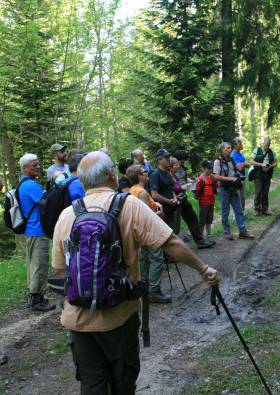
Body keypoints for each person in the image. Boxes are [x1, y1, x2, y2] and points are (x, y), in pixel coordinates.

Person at [52, 151, 219, 394]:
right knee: (123, 382)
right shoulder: (128, 205)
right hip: (119, 315)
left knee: (92, 384)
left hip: (77, 320)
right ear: (111, 175)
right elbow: (170, 242)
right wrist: (204, 269)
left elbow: (59, 269)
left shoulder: (67, 214)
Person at [127, 164, 171, 303]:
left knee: (144, 258)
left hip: (139, 232)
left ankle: (144, 287)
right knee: (157, 259)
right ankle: (154, 291)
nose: (147, 173)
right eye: (144, 172)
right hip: (149, 231)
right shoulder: (142, 192)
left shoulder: (132, 190)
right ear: (139, 176)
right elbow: (146, 216)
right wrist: (159, 210)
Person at [18, 153, 56, 312]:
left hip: (31, 230)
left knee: (34, 264)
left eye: (38, 164)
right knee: (39, 265)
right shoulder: (30, 186)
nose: (38, 167)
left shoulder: (25, 183)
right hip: (37, 230)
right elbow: (47, 202)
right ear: (24, 168)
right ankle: (36, 299)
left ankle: (35, 296)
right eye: (35, 165)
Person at [213, 142, 254, 240]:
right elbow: (215, 176)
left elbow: (237, 168)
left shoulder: (231, 159)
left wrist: (244, 165)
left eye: (231, 147)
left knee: (239, 210)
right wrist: (230, 179)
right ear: (222, 150)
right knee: (225, 211)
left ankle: (242, 231)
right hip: (224, 189)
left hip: (233, 188)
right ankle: (226, 232)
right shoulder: (217, 161)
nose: (230, 149)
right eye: (228, 148)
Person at [173, 150, 213, 249]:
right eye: (181, 162)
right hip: (174, 200)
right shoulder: (169, 171)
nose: (181, 164)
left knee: (193, 218)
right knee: (174, 225)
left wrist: (191, 183)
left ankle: (200, 242)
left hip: (183, 197)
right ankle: (173, 248)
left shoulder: (182, 168)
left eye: (183, 162)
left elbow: (184, 180)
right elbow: (174, 185)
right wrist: (182, 186)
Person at [250, 137, 278, 216]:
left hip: (268, 174)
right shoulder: (257, 150)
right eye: (265, 145)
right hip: (258, 174)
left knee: (265, 192)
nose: (267, 147)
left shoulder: (272, 152)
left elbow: (276, 163)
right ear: (263, 143)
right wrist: (261, 164)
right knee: (258, 192)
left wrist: (271, 166)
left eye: (268, 145)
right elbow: (251, 161)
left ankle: (265, 209)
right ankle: (257, 209)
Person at [196, 160, 217, 243]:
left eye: (211, 168)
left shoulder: (212, 178)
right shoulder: (201, 179)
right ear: (204, 168)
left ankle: (209, 236)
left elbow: (215, 188)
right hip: (204, 203)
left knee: (209, 220)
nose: (210, 170)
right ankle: (200, 237)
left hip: (211, 202)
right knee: (202, 221)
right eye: (209, 168)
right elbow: (197, 191)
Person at [230, 137, 249, 211]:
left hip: (242, 178)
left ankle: (242, 212)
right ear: (235, 145)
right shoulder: (233, 155)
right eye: (240, 143)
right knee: (237, 197)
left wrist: (243, 164)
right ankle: (237, 214)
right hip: (236, 179)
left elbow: (248, 165)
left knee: (243, 196)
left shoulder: (240, 154)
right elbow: (239, 168)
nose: (242, 144)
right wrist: (244, 164)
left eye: (241, 143)